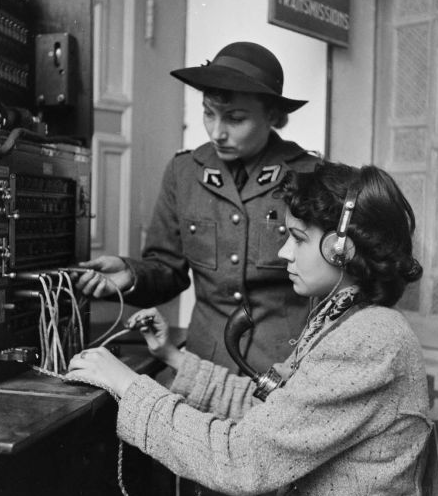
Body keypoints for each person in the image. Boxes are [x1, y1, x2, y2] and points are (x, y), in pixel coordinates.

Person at [66, 161, 432, 496]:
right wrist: (171, 357)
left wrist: (130, 388)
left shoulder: (368, 340)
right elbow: (271, 413)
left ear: (342, 249)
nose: (285, 252)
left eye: (298, 238)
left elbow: (243, 458)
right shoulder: (348, 319)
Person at [75, 41, 320, 373]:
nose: (217, 132)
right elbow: (167, 269)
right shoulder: (184, 172)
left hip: (284, 365)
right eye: (208, 113)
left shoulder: (309, 174)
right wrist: (130, 275)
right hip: (206, 362)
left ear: (273, 116)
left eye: (235, 118)